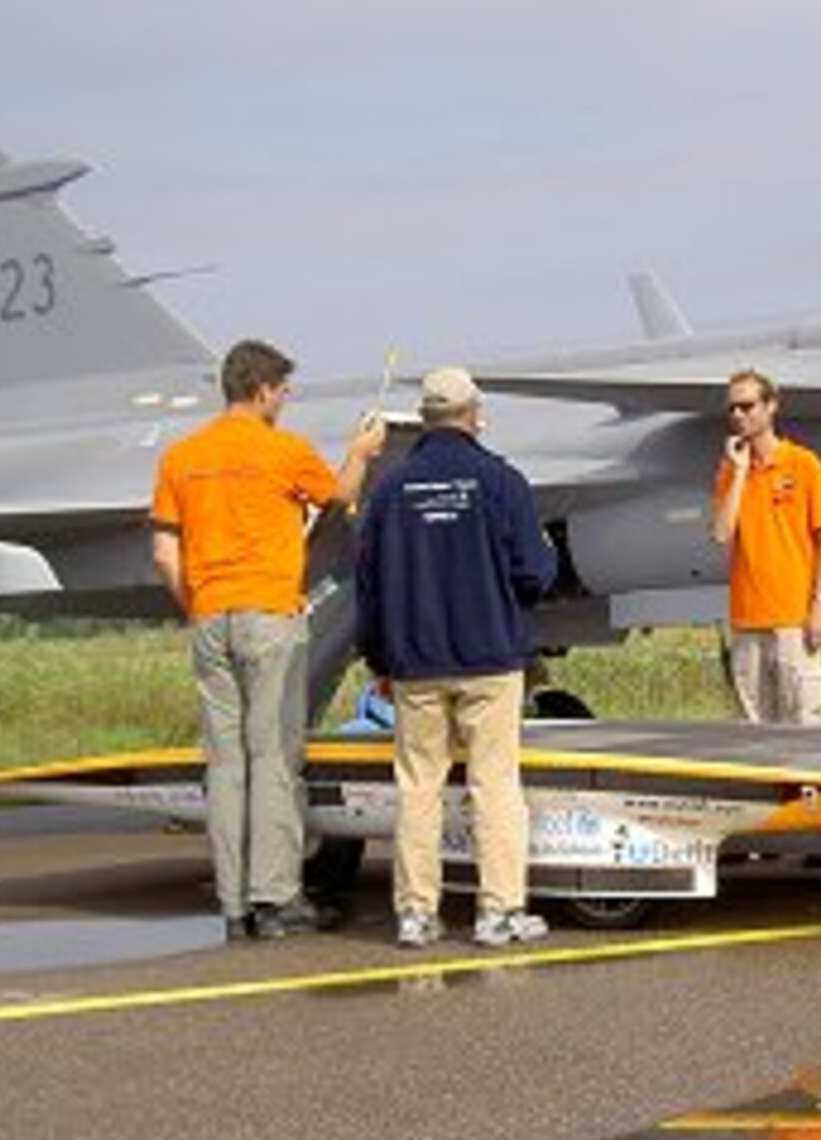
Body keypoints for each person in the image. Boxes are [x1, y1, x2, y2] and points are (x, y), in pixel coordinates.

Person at [151, 338, 385, 942]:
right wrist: (361, 451)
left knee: (225, 767)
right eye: (281, 391)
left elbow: (163, 550)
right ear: (261, 390)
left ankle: (233, 904)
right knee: (275, 761)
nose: (284, 401)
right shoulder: (283, 451)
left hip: (210, 621)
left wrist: (198, 606)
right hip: (269, 620)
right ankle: (278, 901)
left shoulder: (181, 457)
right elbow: (340, 496)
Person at [356, 367, 557, 949]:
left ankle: (416, 914)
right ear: (475, 413)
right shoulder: (501, 481)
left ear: (423, 418)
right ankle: (498, 913)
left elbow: (368, 585)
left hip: (415, 662)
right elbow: (535, 572)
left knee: (418, 785)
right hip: (490, 657)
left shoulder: (390, 490)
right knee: (494, 784)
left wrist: (378, 659)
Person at [711, 369, 821, 724]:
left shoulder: (804, 464)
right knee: (753, 731)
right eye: (732, 408)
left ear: (771, 407)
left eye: (747, 406)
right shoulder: (729, 470)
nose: (738, 415)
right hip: (746, 622)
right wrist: (738, 472)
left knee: (805, 724)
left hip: (793, 621)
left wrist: (820, 605)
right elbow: (722, 534)